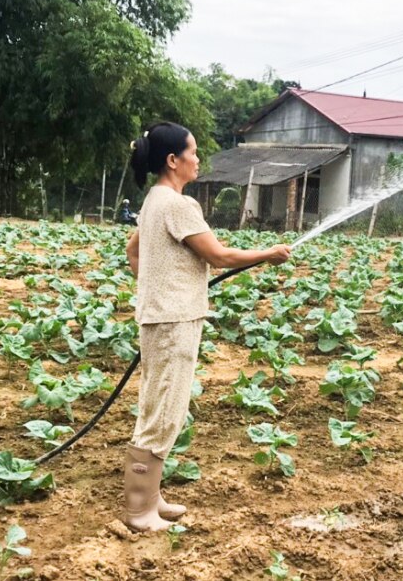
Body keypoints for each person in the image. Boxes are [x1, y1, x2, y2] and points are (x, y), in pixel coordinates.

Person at [123, 121, 291, 532]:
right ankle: (139, 512)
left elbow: (133, 251)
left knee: (157, 405)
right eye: (193, 152)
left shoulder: (154, 200)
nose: (198, 160)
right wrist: (267, 253)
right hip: (175, 320)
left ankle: (152, 498)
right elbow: (219, 257)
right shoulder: (180, 206)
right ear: (172, 160)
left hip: (159, 316)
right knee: (164, 414)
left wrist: (154, 285)